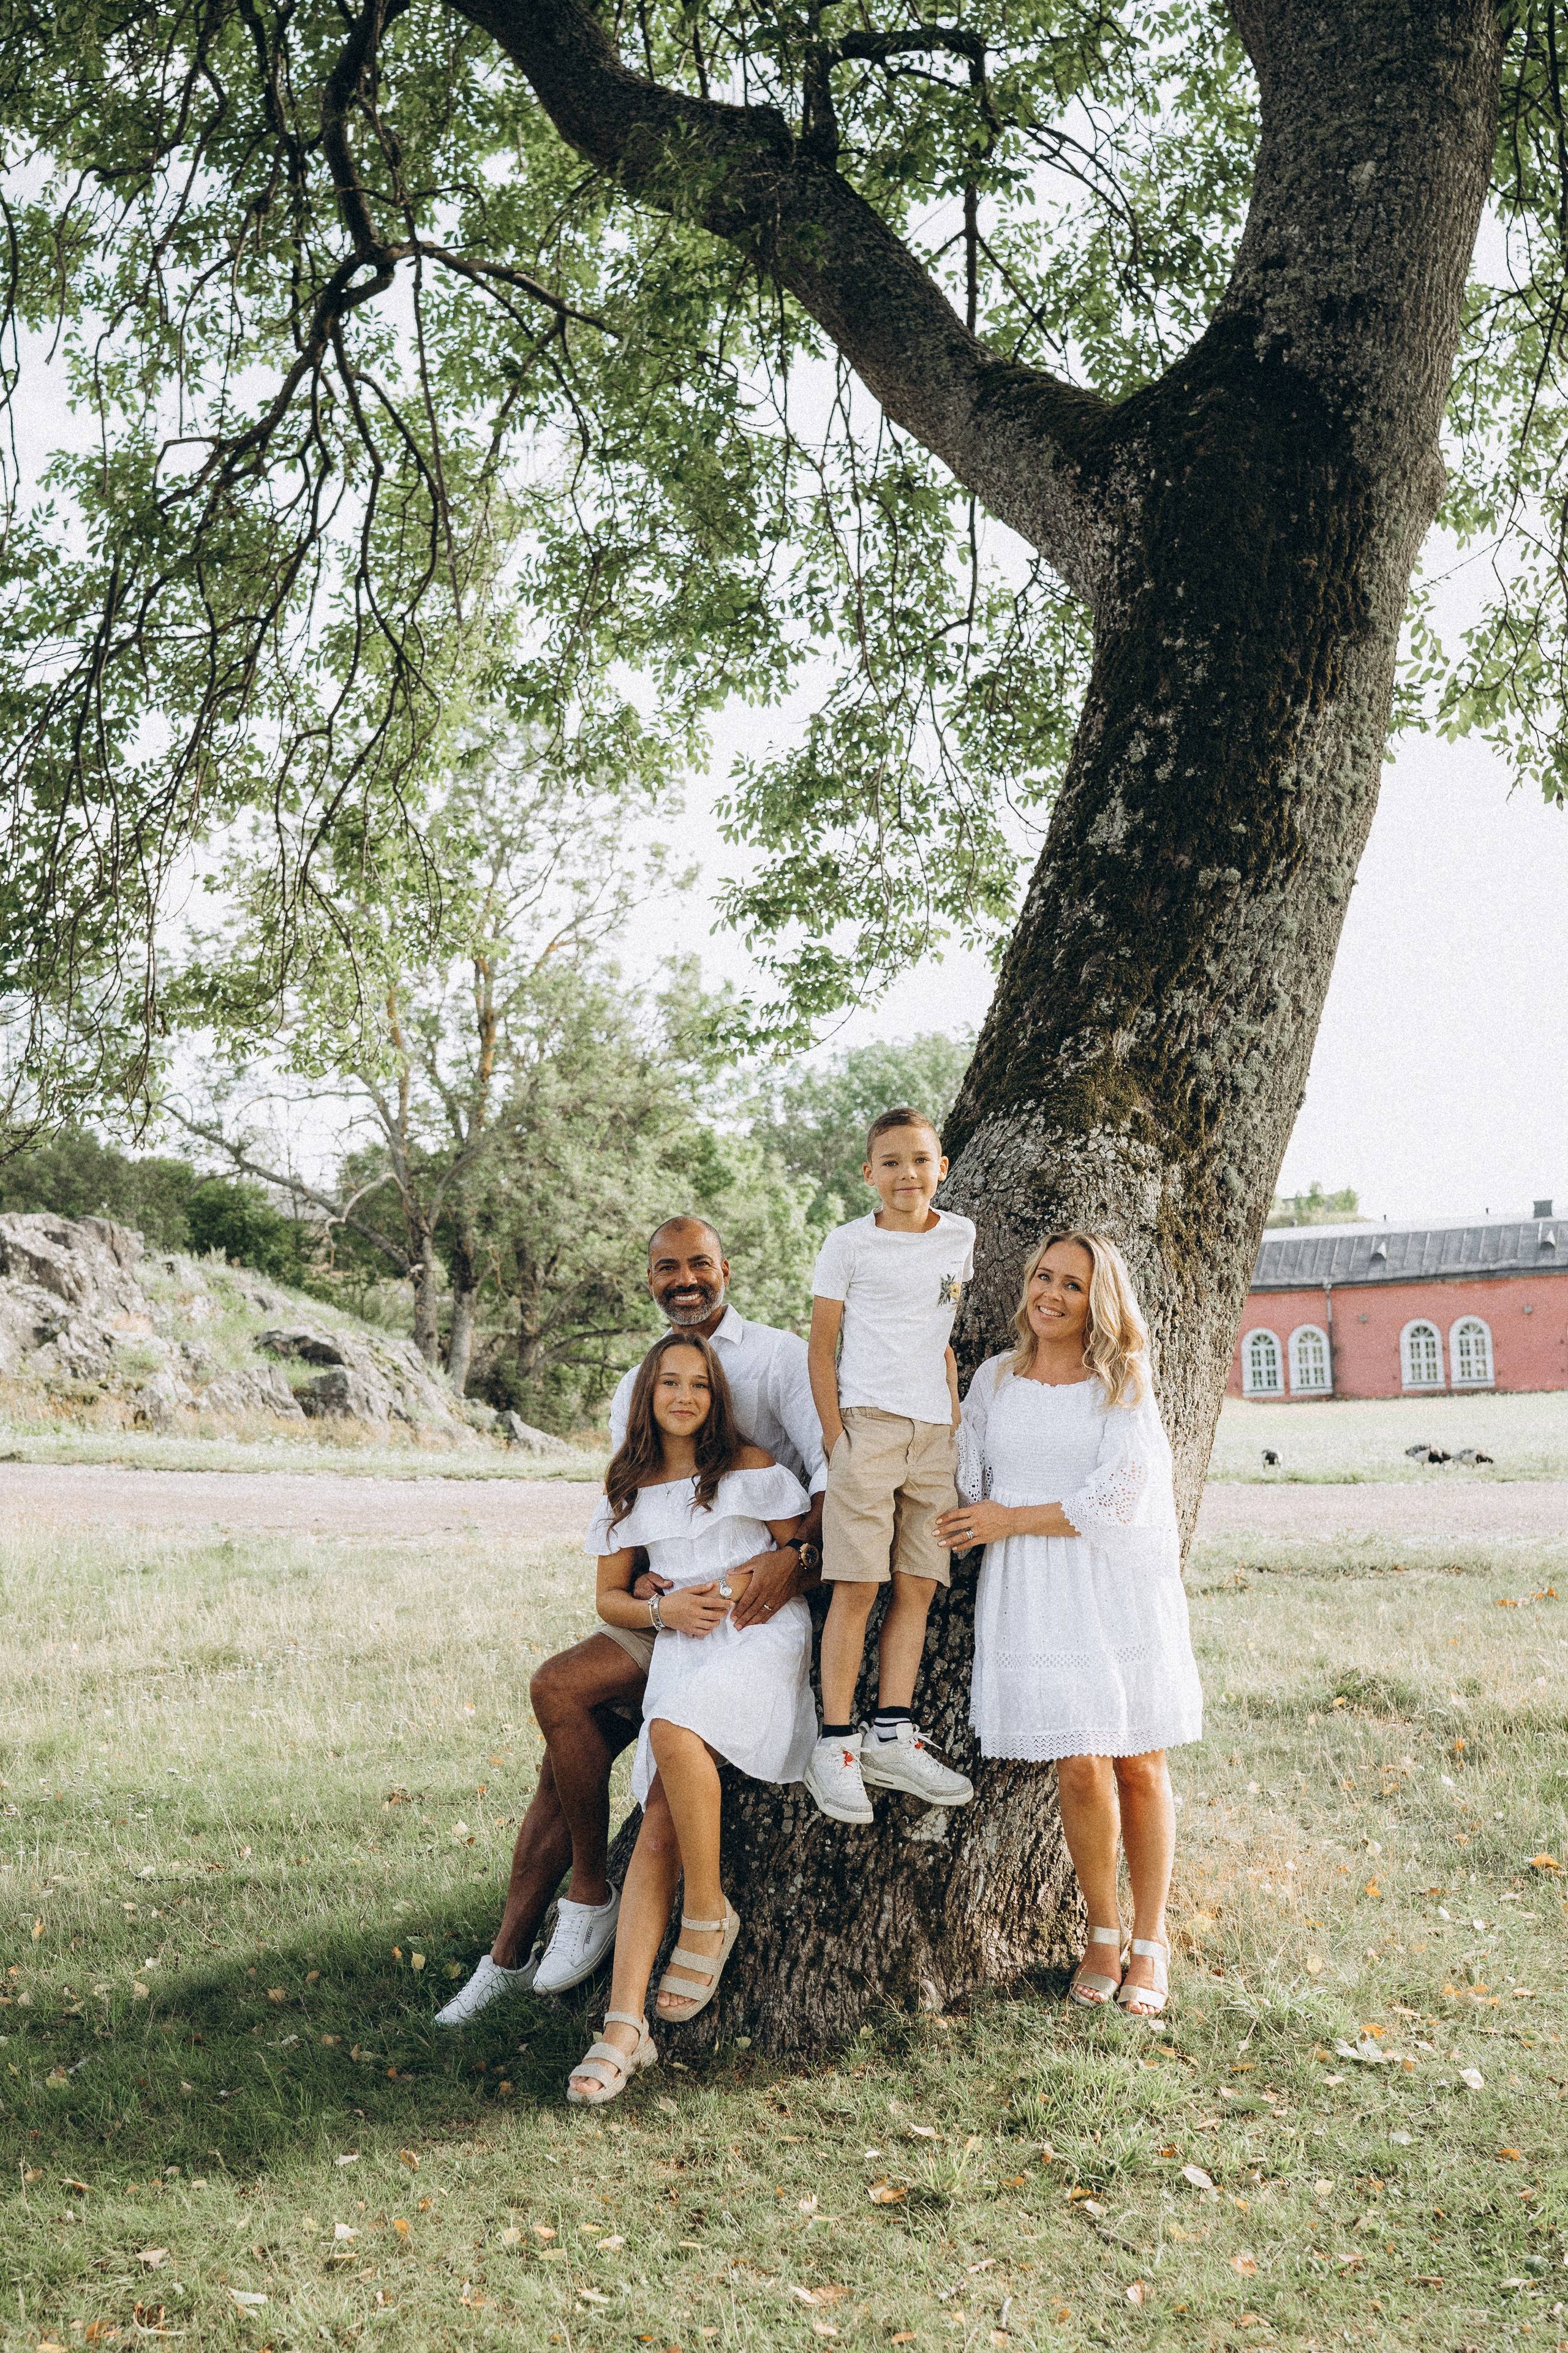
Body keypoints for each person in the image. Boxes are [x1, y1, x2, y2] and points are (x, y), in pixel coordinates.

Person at [435, 1215, 823, 2027]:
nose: (683, 1279)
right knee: (562, 1719)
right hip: (666, 1600)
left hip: (754, 1588)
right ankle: (527, 1940)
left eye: (698, 1264)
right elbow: (632, 1495)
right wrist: (651, 1591)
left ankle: (578, 1910)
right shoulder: (632, 1382)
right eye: (665, 1267)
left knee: (573, 1723)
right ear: (649, 1277)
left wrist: (796, 1558)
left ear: (726, 1266)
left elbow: (827, 1474)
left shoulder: (781, 1357)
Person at [935, 1232, 1203, 2019]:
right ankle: (1102, 1929)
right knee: (1079, 1764)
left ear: (1099, 1301)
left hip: (1112, 1579)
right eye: (1043, 1277)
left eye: (1073, 1285)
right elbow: (966, 1481)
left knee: (1139, 1760)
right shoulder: (995, 1378)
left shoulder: (1121, 1379)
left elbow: (1119, 1498)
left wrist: (1008, 1517)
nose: (1050, 1294)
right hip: (1032, 1591)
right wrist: (949, 1400)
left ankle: (1151, 1939)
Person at [566, 1330, 814, 2104]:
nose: (684, 1396)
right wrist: (660, 1606)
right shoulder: (628, 1487)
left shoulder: (749, 1468)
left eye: (699, 1385)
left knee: (671, 1731)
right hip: (681, 1641)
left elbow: (805, 1558)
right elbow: (609, 1597)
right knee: (658, 1820)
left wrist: (751, 1582)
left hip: (761, 1636)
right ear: (647, 1395)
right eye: (669, 1382)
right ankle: (623, 2027)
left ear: (717, 1397)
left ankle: (707, 1912)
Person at [801, 1106, 978, 1825]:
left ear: (941, 1166)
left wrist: (952, 1404)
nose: (908, 1174)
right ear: (868, 1173)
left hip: (933, 1433)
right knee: (857, 1584)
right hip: (866, 1428)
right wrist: (837, 1439)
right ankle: (835, 1743)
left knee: (917, 1582)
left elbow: (939, 1330)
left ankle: (891, 1733)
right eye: (892, 1162)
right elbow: (821, 1349)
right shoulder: (848, 1245)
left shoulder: (961, 1235)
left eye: (921, 1159)